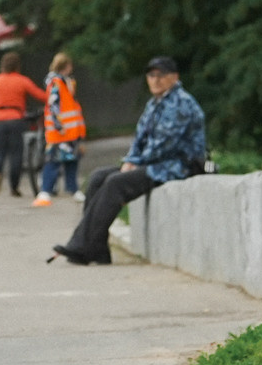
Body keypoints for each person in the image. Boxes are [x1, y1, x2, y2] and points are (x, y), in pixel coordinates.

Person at [51, 55, 205, 266]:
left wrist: (136, 163)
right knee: (98, 177)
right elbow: (140, 137)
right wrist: (131, 160)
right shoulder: (155, 103)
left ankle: (81, 246)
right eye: (151, 75)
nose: (155, 80)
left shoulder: (181, 103)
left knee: (116, 183)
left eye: (162, 75)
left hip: (177, 166)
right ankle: (97, 249)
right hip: (155, 164)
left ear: (174, 77)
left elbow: (164, 145)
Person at [0, 51, 47, 200]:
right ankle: (14, 187)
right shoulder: (22, 80)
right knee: (16, 154)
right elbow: (40, 95)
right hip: (15, 118)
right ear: (17, 65)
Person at [33, 50, 87, 207]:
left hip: (71, 132)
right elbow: (53, 105)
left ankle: (73, 188)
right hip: (60, 132)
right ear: (66, 66)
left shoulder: (65, 82)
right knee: (53, 162)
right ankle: (45, 191)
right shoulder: (56, 83)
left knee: (72, 161)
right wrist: (58, 125)